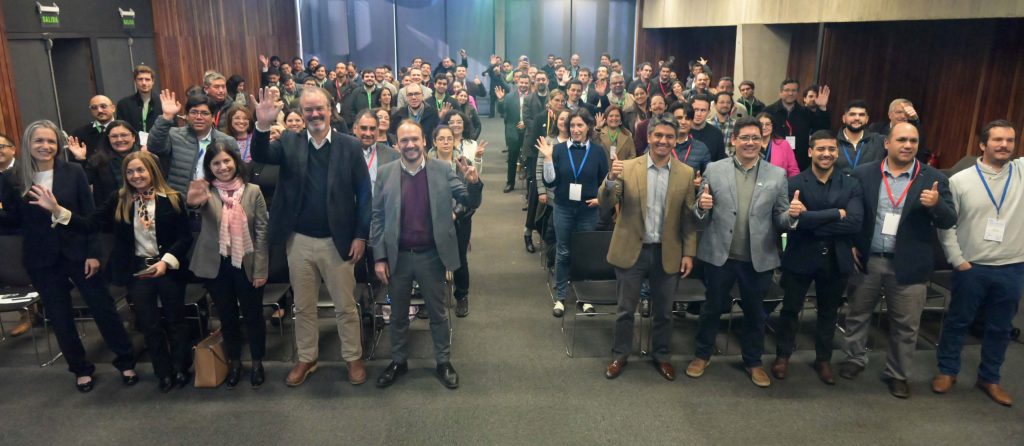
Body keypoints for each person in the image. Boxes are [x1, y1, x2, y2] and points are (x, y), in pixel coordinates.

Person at [0, 120, 137, 392]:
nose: (45, 146)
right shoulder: (12, 178)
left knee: (103, 309)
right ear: (27, 144)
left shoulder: (73, 172)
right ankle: (80, 369)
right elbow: (14, 222)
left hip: (79, 252)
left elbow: (89, 215)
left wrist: (94, 254)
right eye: (39, 141)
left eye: (51, 141)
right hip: (41, 258)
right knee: (60, 317)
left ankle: (125, 361)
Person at [250, 87, 372, 387]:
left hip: (338, 241)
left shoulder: (350, 145)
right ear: (301, 114)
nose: (314, 114)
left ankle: (353, 357)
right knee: (303, 306)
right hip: (299, 240)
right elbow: (261, 156)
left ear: (330, 110)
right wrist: (262, 125)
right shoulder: (288, 142)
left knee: (345, 305)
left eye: (319, 108)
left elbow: (364, 193)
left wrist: (360, 235)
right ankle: (307, 358)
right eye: (308, 110)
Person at [55, 151, 193, 392]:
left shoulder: (172, 198)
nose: (135, 175)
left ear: (152, 171)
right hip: (137, 270)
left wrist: (166, 262)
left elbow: (184, 238)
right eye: (130, 172)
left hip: (167, 268)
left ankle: (181, 367)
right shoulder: (118, 199)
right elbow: (89, 224)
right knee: (149, 324)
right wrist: (57, 210)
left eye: (140, 170)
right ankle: (163, 372)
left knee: (175, 320)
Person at [839, 122, 957, 399]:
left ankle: (898, 373)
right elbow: (850, 214)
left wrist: (936, 205)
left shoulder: (933, 178)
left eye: (913, 141)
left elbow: (949, 219)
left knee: (906, 325)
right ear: (887, 143)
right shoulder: (863, 174)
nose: (908, 145)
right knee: (857, 314)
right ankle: (854, 358)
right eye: (902, 139)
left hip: (909, 263)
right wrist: (850, 244)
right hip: (868, 259)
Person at [371, 120, 483, 389]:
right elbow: (377, 217)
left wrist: (474, 183)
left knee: (437, 313)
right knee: (397, 314)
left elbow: (469, 201)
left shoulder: (442, 170)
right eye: (404, 140)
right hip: (397, 257)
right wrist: (379, 257)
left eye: (415, 139)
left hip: (431, 256)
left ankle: (443, 362)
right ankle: (398, 361)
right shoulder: (385, 173)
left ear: (424, 141)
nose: (410, 144)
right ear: (397, 144)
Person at [686, 117, 795, 388]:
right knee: (712, 308)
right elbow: (699, 212)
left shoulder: (777, 174)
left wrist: (792, 216)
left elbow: (781, 217)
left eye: (755, 138)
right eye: (744, 137)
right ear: (733, 140)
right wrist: (701, 205)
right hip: (719, 255)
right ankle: (702, 354)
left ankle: (753, 361)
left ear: (762, 141)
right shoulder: (714, 169)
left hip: (758, 258)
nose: (750, 142)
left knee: (755, 313)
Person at [599, 113, 698, 380]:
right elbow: (606, 204)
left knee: (664, 312)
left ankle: (662, 356)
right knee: (625, 310)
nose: (663, 141)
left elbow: (688, 218)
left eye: (669, 136)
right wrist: (611, 178)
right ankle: (620, 355)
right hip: (632, 250)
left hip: (667, 252)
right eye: (658, 135)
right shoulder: (628, 167)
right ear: (649, 136)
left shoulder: (686, 173)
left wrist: (689, 253)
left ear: (676, 140)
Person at [933, 120, 1022, 406]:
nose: (1004, 145)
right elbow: (947, 225)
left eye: (1010, 140)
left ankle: (990, 377)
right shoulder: (960, 180)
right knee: (958, 321)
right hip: (971, 266)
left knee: (1001, 327)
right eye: (997, 140)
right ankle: (948, 371)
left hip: (1012, 266)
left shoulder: (1021, 171)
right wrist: (956, 259)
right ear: (982, 144)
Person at [772, 130, 864, 385]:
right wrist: (836, 213)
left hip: (836, 258)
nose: (826, 154)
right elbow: (791, 223)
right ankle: (782, 356)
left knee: (828, 313)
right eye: (821, 149)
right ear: (810, 152)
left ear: (837, 152)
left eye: (831, 149)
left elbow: (855, 223)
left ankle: (823, 359)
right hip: (800, 256)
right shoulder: (794, 183)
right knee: (790, 310)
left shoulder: (851, 184)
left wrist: (809, 219)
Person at [187, 143, 270, 388]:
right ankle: (234, 363)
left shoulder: (253, 191)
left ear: (235, 162)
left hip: (247, 263)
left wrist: (261, 269)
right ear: (209, 167)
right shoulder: (206, 190)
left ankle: (257, 362)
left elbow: (262, 232)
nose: (222, 167)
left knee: (253, 316)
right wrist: (192, 201)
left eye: (226, 161)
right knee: (227, 317)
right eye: (216, 163)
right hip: (217, 265)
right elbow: (193, 205)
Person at [539, 109, 609, 317]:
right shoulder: (559, 150)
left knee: (584, 252)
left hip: (588, 209)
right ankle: (560, 296)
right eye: (572, 126)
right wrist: (548, 159)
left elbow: (604, 180)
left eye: (580, 125)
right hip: (563, 207)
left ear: (588, 127)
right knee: (563, 251)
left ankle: (585, 296)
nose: (576, 129)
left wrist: (601, 198)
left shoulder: (597, 151)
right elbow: (549, 182)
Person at [427, 125, 478, 317]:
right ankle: (431, 298)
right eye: (441, 139)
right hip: (432, 218)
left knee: (459, 259)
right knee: (431, 259)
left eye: (449, 138)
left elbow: (470, 198)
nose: (446, 142)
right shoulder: (425, 164)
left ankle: (462, 295)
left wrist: (455, 213)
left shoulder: (463, 162)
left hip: (460, 219)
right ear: (434, 142)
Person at [148, 91, 239, 195]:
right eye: (194, 112)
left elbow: (237, 173)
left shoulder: (227, 141)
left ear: (213, 117)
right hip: (179, 198)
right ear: (186, 115)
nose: (199, 117)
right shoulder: (174, 135)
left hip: (215, 198)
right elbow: (154, 147)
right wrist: (166, 117)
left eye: (205, 113)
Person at [522, 90, 566, 253]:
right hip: (539, 161)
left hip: (557, 169)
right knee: (536, 201)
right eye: (556, 100)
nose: (559, 103)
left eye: (562, 101)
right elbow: (533, 142)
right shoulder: (541, 117)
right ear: (550, 101)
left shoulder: (567, 118)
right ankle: (528, 233)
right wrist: (543, 159)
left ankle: (548, 237)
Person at [764, 79, 831, 170]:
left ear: (797, 93)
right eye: (787, 90)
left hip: (800, 160)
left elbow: (823, 128)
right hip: (774, 158)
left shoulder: (806, 112)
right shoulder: (769, 111)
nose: (790, 93)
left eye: (794, 90)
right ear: (780, 93)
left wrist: (822, 108)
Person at [77, 120, 143, 205]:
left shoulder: (145, 157)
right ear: (108, 139)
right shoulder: (98, 160)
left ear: (133, 137)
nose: (119, 139)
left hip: (143, 207)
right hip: (110, 209)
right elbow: (83, 182)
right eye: (114, 136)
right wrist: (81, 159)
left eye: (124, 135)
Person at [496, 72, 531, 193]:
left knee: (529, 159)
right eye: (522, 82)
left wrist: (526, 123)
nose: (523, 85)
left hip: (529, 131)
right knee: (512, 159)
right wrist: (501, 100)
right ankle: (510, 183)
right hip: (513, 132)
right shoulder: (509, 96)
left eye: (526, 83)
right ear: (517, 83)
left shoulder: (533, 96)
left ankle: (530, 185)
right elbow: (501, 112)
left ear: (529, 84)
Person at [867, 98, 930, 163]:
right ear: (890, 115)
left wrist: (915, 121)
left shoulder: (916, 130)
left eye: (906, 113)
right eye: (899, 112)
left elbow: (920, 156)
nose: (903, 116)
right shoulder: (876, 128)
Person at [835, 100, 886, 175]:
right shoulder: (832, 142)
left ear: (867, 119)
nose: (857, 118)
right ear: (844, 118)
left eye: (861, 115)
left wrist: (905, 120)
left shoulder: (880, 140)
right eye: (852, 114)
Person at [390, 83, 439, 150]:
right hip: (405, 151)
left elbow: (436, 134)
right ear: (406, 97)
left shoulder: (433, 114)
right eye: (410, 94)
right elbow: (392, 135)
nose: (413, 97)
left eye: (416, 94)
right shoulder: (399, 115)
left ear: (422, 95)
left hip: (427, 151)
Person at [116, 65, 163, 135]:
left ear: (153, 82)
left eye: (147, 79)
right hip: (134, 141)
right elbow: (120, 129)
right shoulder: (123, 105)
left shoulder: (163, 102)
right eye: (140, 79)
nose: (144, 83)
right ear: (135, 81)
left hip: (159, 141)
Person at [667, 102, 712, 173]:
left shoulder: (701, 149)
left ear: (692, 122)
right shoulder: (660, 145)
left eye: (687, 118)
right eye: (679, 118)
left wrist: (702, 179)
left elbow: (708, 175)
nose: (683, 122)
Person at [70, 95, 117, 161]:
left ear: (113, 108)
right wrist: (81, 158)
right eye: (94, 108)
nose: (99, 110)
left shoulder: (125, 128)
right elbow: (74, 164)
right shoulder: (80, 133)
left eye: (103, 106)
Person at [754, 112, 800, 177]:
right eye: (761, 124)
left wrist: (793, 183)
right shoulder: (750, 145)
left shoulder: (784, 144)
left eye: (768, 124)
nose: (764, 127)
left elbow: (793, 170)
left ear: (772, 126)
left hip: (779, 182)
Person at [689, 94, 727, 162]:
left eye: (703, 110)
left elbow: (720, 162)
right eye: (695, 110)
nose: (698, 114)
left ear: (709, 112)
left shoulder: (717, 134)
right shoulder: (681, 132)